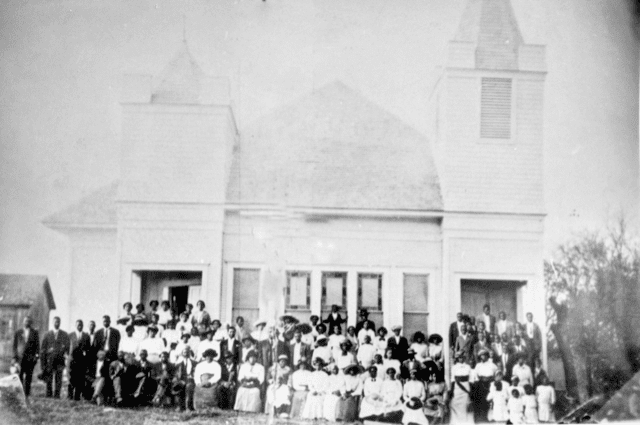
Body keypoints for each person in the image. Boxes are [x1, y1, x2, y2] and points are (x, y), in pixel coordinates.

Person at [40, 316, 70, 398]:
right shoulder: (47, 334)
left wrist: (64, 351)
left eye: (58, 322)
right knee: (49, 377)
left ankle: (57, 394)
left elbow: (67, 347)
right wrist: (47, 353)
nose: (57, 323)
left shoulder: (64, 334)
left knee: (58, 378)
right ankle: (49, 394)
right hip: (50, 359)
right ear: (52, 323)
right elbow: (43, 348)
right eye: (55, 322)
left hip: (60, 359)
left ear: (60, 323)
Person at [13, 316, 40, 397]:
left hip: (30, 359)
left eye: (28, 321)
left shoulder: (34, 332)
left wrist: (36, 357)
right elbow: (14, 346)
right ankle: (19, 393)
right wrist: (14, 357)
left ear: (30, 323)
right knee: (19, 375)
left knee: (29, 376)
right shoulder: (18, 332)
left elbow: (37, 346)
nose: (27, 323)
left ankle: (27, 393)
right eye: (25, 321)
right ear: (23, 322)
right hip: (20, 358)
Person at [67, 319, 91, 400]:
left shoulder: (86, 336)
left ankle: (77, 396)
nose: (79, 326)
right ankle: (69, 396)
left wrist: (85, 353)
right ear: (75, 325)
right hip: (72, 360)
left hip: (81, 361)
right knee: (71, 378)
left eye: (81, 324)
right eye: (78, 324)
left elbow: (88, 349)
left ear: (83, 325)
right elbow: (67, 347)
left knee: (80, 379)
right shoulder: (70, 335)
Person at [473, 348, 498, 423]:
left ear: (487, 356)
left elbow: (496, 374)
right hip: (481, 384)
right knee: (482, 401)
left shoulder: (492, 365)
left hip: (490, 384)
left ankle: (489, 417)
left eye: (484, 355)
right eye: (481, 356)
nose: (482, 357)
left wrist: (493, 383)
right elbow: (475, 375)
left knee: (489, 400)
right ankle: (482, 418)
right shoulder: (478, 365)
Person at [450, 354, 474, 424]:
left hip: (466, 386)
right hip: (457, 387)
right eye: (459, 358)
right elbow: (452, 380)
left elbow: (471, 379)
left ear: (464, 358)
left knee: (466, 405)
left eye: (462, 358)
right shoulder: (454, 367)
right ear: (457, 359)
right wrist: (452, 391)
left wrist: (470, 390)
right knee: (454, 404)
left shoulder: (468, 367)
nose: (461, 359)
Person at [172, 346, 197, 411]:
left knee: (189, 386)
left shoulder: (194, 363)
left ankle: (188, 407)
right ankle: (180, 406)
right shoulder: (178, 363)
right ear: (182, 353)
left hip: (191, 379)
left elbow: (196, 373)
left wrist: (192, 376)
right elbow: (176, 374)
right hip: (181, 379)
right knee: (180, 385)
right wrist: (177, 379)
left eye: (187, 352)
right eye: (184, 352)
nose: (186, 353)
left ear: (189, 353)